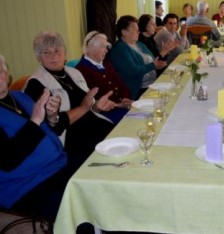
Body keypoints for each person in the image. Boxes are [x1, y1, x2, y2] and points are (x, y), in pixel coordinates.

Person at [24, 31, 115, 166]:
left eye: (57, 50)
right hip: (72, 141)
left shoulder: (74, 72)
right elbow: (54, 126)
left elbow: (87, 105)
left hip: (95, 126)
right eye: (46, 52)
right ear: (38, 58)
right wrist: (84, 107)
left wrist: (96, 107)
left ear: (64, 52)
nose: (54, 56)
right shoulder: (35, 84)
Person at [0, 54, 70, 222]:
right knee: (77, 211)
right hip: (27, 184)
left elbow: (51, 127)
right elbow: (7, 160)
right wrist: (35, 120)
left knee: (100, 176)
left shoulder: (19, 96)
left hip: (58, 163)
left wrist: (52, 116)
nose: (0, 75)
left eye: (1, 69)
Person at [75, 31, 133, 123]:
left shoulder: (106, 63)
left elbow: (121, 84)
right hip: (103, 115)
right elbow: (89, 103)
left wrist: (125, 98)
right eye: (103, 47)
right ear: (91, 48)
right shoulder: (80, 71)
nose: (106, 50)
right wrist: (118, 105)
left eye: (106, 47)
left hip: (121, 107)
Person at [109, 15, 167, 100]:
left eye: (138, 29)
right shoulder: (120, 49)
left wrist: (159, 64)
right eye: (135, 30)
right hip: (137, 91)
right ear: (124, 32)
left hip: (151, 84)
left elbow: (153, 61)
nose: (138, 32)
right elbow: (133, 71)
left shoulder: (139, 44)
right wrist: (153, 66)